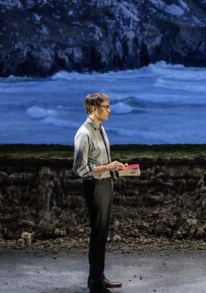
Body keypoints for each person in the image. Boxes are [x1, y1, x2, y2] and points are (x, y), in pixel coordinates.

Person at [73, 93, 126, 293]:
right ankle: (96, 284)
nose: (109, 109)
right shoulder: (84, 134)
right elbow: (79, 168)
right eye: (105, 106)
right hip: (95, 187)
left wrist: (113, 167)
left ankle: (97, 277)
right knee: (98, 234)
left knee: (102, 234)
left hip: (105, 184)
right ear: (94, 109)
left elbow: (99, 161)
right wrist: (107, 166)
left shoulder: (100, 128)